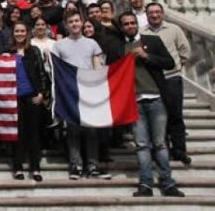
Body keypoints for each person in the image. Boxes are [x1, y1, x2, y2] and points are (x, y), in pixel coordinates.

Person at [117, 12, 185, 198]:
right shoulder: (120, 47)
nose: (130, 26)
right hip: (135, 101)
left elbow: (169, 63)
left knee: (160, 143)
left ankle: (167, 182)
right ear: (121, 27)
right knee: (141, 145)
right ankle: (145, 183)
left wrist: (147, 56)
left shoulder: (152, 41)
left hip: (156, 98)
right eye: (126, 24)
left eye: (132, 23)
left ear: (137, 24)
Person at [52, 10, 107, 179]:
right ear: (66, 24)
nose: (75, 24)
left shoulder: (92, 44)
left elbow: (97, 67)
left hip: (89, 91)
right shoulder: (59, 45)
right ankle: (75, 165)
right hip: (69, 93)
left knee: (91, 131)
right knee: (73, 131)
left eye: (77, 21)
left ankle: (92, 165)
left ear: (82, 22)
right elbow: (55, 70)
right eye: (71, 21)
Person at [141, 2, 192, 165]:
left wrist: (176, 67)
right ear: (146, 14)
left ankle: (180, 150)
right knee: (159, 116)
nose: (154, 15)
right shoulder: (142, 32)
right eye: (151, 13)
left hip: (172, 78)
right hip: (154, 80)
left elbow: (185, 51)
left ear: (162, 13)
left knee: (176, 115)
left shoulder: (174, 29)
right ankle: (164, 150)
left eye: (157, 12)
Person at [10, 22, 50, 182]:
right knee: (18, 134)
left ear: (27, 33)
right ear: (13, 33)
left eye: (22, 31)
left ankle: (35, 168)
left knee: (34, 133)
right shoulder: (8, 52)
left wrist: (42, 93)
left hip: (32, 96)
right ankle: (18, 167)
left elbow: (41, 72)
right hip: (14, 98)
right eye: (16, 31)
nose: (19, 33)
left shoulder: (34, 50)